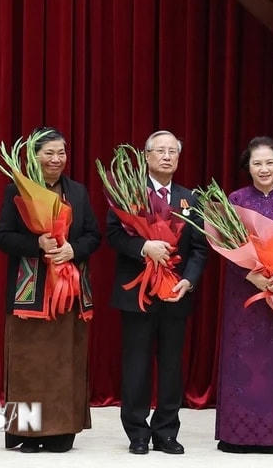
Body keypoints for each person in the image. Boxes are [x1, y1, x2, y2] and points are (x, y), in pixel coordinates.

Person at [0, 127, 100, 453]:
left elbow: (93, 236)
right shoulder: (17, 190)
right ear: (34, 156)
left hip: (68, 292)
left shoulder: (78, 192)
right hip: (31, 292)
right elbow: (2, 237)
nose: (56, 159)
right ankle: (27, 433)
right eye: (49, 153)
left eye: (61, 153)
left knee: (65, 363)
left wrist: (74, 250)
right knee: (29, 363)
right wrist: (36, 243)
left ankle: (61, 433)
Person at [108, 130, 208, 455]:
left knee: (170, 365)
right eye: (160, 151)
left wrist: (188, 281)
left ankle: (166, 430)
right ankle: (137, 432)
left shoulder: (190, 198)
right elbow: (113, 236)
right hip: (137, 293)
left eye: (172, 152)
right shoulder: (128, 193)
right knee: (136, 364)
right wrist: (144, 247)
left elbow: (200, 249)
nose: (166, 156)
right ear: (147, 157)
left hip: (174, 294)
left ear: (178, 159)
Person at [215, 136, 273, 453]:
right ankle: (236, 434)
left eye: (269, 162)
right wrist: (251, 275)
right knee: (242, 361)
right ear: (248, 167)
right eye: (257, 163)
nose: (264, 168)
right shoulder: (236, 198)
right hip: (246, 295)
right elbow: (227, 246)